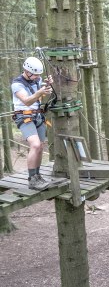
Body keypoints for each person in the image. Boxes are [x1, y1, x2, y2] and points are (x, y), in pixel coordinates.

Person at [11, 57, 54, 190]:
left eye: (38, 75)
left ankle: (37, 175)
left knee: (40, 147)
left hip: (38, 116)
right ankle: (31, 179)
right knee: (34, 145)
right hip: (24, 117)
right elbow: (27, 101)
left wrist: (47, 85)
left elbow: (40, 95)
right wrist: (40, 92)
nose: (37, 77)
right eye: (35, 74)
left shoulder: (37, 80)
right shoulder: (17, 84)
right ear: (26, 70)